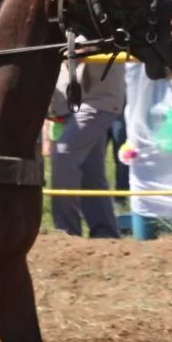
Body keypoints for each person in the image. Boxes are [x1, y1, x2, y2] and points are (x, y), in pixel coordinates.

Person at [47, 46, 126, 239]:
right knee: (92, 173)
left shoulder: (111, 17)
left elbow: (114, 41)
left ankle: (66, 232)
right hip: (72, 102)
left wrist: (85, 49)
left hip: (99, 101)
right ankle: (106, 234)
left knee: (64, 154)